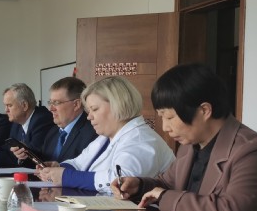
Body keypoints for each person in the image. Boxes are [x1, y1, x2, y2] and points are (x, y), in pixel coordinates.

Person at [112, 63, 257, 211]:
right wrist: (139, 186)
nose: (165, 127)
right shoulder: (190, 144)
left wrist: (164, 196)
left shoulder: (252, 150)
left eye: (169, 117)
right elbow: (168, 184)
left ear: (204, 111)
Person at [38, 76, 174, 193]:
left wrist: (65, 177)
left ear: (118, 105)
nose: (89, 117)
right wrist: (58, 168)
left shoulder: (141, 140)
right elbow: (78, 163)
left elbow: (120, 183)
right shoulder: (105, 138)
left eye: (94, 109)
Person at [0, 83, 55, 167]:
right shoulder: (17, 122)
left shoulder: (42, 120)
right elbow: (8, 149)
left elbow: (33, 155)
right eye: (5, 106)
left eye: (9, 105)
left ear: (24, 105)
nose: (6, 110)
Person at [39, 77, 97, 163]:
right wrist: (25, 155)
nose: (50, 108)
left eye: (56, 103)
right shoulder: (52, 132)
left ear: (76, 104)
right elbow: (43, 161)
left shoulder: (92, 133)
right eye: (50, 102)